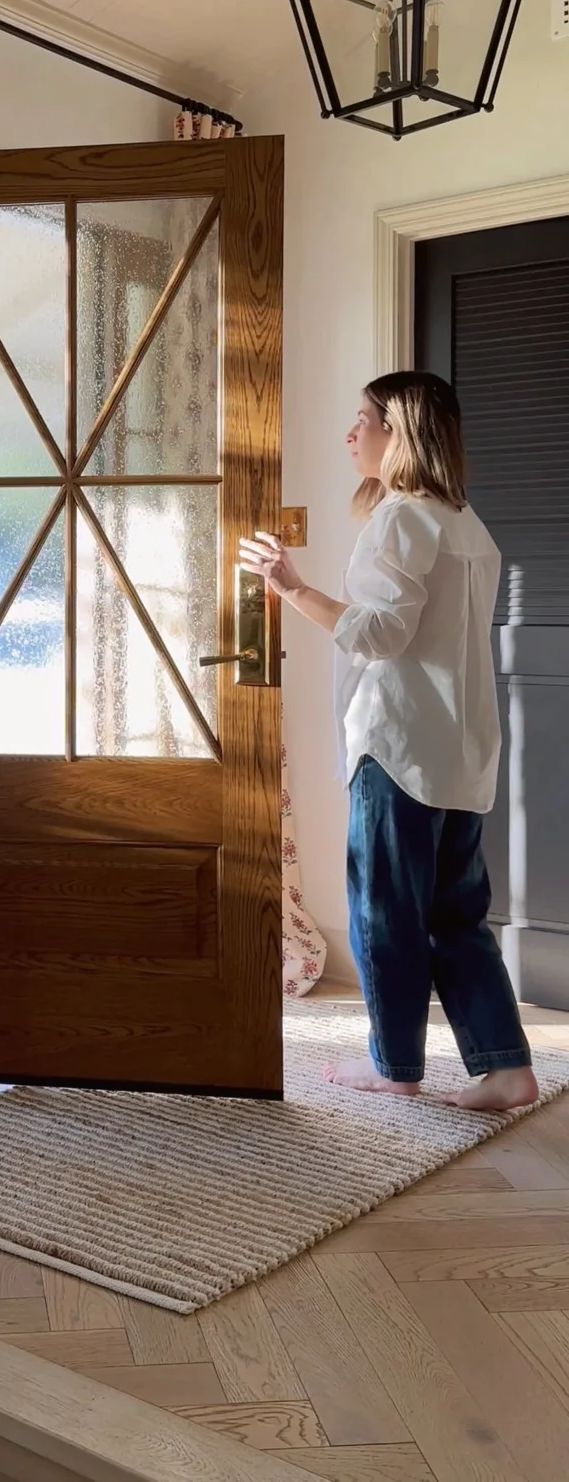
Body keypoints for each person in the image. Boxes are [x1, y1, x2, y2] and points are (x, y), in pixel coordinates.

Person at [240, 371, 538, 1112]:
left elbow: (381, 633)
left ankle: (394, 1062)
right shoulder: (466, 523)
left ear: (398, 432)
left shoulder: (403, 519)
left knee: (383, 910)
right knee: (454, 914)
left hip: (398, 747)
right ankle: (506, 1066)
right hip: (462, 750)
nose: (351, 432)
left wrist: (290, 584)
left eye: (364, 419)